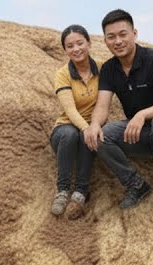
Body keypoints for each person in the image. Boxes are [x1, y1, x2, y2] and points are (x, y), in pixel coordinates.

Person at [83, 9, 153, 217]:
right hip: (143, 135)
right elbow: (102, 106)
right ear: (105, 40)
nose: (118, 41)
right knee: (101, 135)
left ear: (134, 33)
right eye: (111, 37)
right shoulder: (109, 69)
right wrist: (94, 124)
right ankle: (136, 185)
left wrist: (141, 115)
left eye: (123, 34)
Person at [49, 24, 99, 220]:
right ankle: (62, 191)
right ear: (65, 50)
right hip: (65, 129)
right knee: (72, 133)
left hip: (91, 126)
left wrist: (91, 127)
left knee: (86, 136)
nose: (76, 49)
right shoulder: (63, 74)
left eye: (80, 43)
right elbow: (69, 110)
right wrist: (86, 127)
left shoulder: (102, 68)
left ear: (89, 43)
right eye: (70, 46)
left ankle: (81, 191)